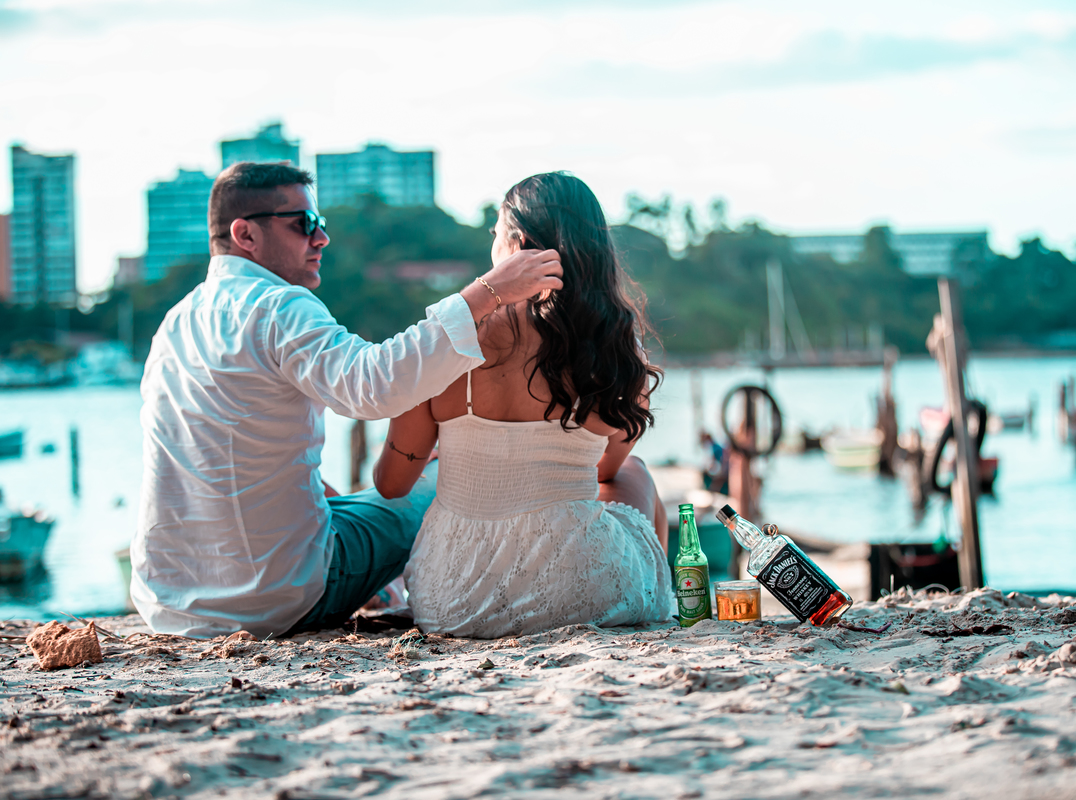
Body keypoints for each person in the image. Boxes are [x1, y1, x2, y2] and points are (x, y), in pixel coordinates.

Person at [132, 162, 562, 639]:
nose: (321, 239)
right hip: (271, 600)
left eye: (320, 225)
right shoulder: (278, 306)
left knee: (351, 499)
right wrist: (489, 291)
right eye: (304, 224)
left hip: (167, 604)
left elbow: (222, 457)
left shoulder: (175, 322)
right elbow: (375, 385)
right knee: (445, 474)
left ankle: (378, 580)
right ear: (245, 234)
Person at [374, 172, 672, 638]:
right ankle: (661, 604)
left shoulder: (448, 340)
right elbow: (605, 472)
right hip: (584, 589)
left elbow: (390, 484)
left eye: (495, 233)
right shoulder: (613, 348)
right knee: (636, 474)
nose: (491, 243)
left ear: (519, 244)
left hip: (453, 601)